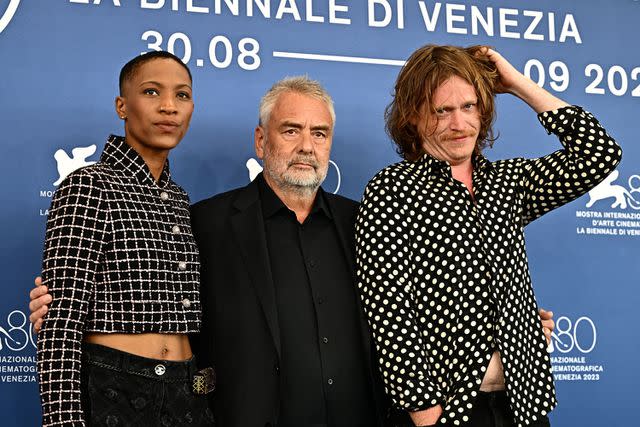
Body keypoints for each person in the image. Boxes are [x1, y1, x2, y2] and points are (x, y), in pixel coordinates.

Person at [30, 74, 556, 427]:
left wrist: (512, 327)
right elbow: (155, 285)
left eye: (320, 133)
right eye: (291, 130)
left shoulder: (370, 219)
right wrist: (66, 311)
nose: (307, 145)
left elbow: (430, 301)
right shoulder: (205, 221)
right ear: (261, 141)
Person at [355, 45, 622, 427]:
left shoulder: (507, 182)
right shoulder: (392, 190)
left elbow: (598, 153)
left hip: (524, 405)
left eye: (469, 106)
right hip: (451, 412)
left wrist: (517, 85)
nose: (459, 123)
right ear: (413, 116)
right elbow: (389, 312)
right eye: (441, 110)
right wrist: (428, 416)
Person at [36, 51, 214, 427]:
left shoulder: (180, 200)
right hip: (114, 388)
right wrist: (62, 421)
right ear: (122, 105)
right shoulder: (88, 185)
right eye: (152, 92)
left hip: (187, 392)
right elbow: (61, 323)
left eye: (182, 95)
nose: (169, 107)